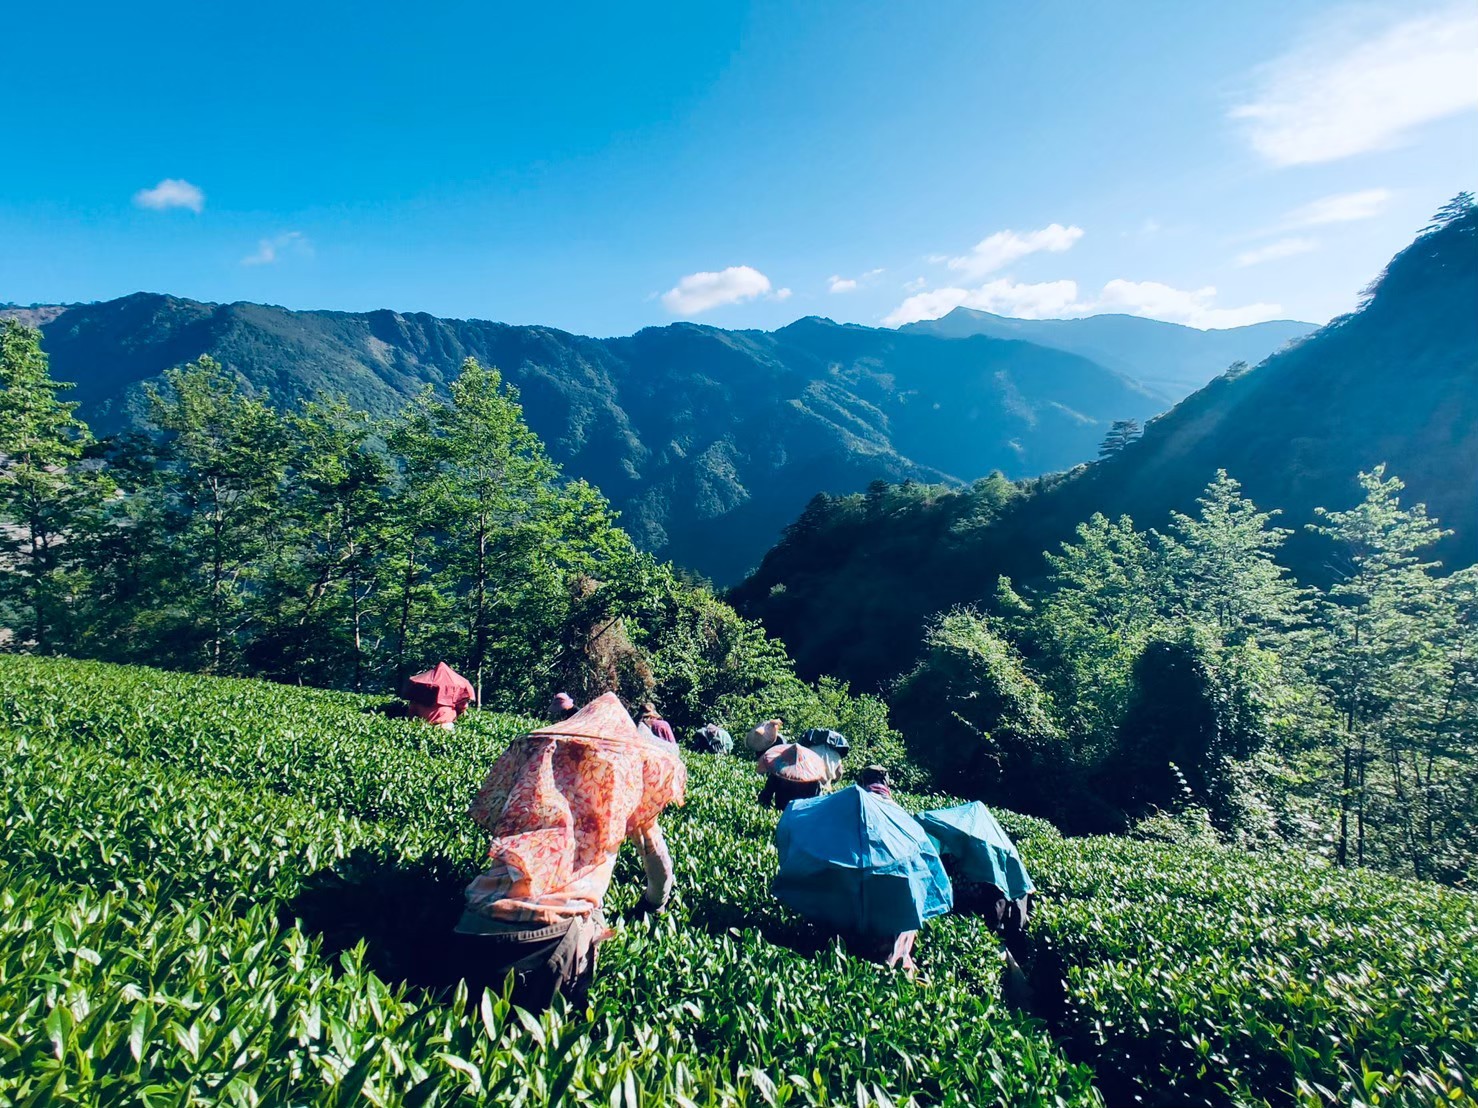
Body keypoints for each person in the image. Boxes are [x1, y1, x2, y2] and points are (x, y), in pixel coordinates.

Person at [455, 693, 686, 1012]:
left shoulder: (534, 787)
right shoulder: (621, 797)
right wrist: (654, 903)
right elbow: (658, 867)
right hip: (553, 935)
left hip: (474, 924)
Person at [401, 662, 475, 731]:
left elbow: (410, 713)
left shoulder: (417, 700)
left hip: (424, 726)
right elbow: (464, 707)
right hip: (444, 725)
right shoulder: (417, 702)